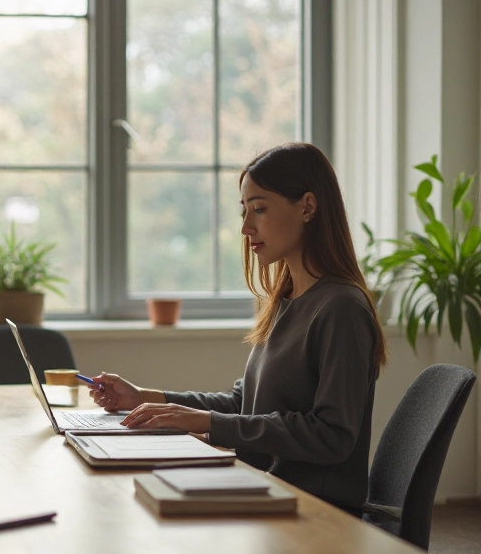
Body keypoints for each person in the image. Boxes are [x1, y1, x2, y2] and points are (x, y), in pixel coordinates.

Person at [90, 142, 386, 515]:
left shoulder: (342, 309)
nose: (246, 228)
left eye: (260, 209)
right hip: (265, 485)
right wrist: (148, 398)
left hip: (313, 509)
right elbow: (245, 404)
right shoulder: (287, 300)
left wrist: (208, 423)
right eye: (244, 211)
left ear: (308, 207)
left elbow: (333, 436)